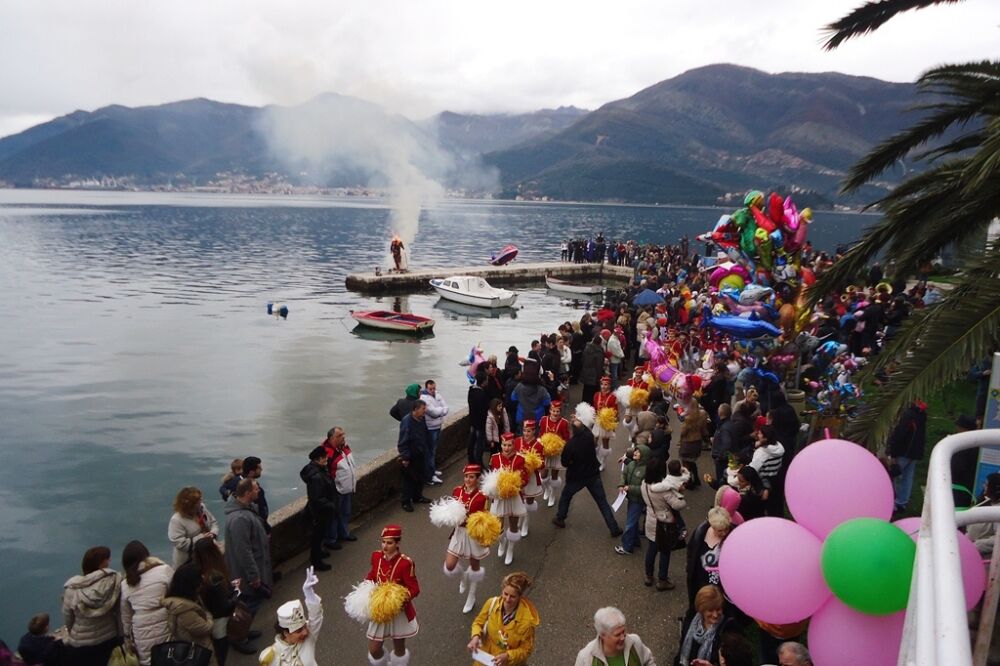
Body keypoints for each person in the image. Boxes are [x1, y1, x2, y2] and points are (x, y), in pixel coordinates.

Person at [552, 408, 622, 538]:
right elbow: (585, 429)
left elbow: (565, 463)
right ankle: (614, 528)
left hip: (576, 478)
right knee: (602, 502)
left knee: (566, 496)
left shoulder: (570, 445)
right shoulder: (589, 436)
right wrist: (578, 420)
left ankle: (560, 518)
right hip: (593, 475)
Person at [365, 525, 420, 666]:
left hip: (398, 611)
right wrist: (366, 586)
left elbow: (414, 589)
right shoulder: (376, 556)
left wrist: (397, 599)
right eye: (383, 542)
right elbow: (373, 574)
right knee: (374, 649)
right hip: (380, 610)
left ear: (397, 544)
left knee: (399, 648)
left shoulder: (405, 563)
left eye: (389, 543)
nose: (385, 546)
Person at [61, 546, 122, 666]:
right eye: (107, 560)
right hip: (108, 638)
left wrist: (73, 631)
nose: (109, 562)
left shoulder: (72, 589)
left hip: (80, 643)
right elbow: (119, 611)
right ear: (101, 565)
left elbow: (68, 618)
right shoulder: (113, 583)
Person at [443, 464, 490, 613]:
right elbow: (451, 510)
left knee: (475, 567)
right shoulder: (456, 491)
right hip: (458, 533)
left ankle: (471, 596)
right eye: (466, 477)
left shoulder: (482, 496)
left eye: (471, 477)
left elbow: (485, 517)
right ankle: (463, 577)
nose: (468, 480)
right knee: (450, 565)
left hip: (473, 534)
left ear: (477, 478)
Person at [120, 540, 173, 666]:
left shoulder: (125, 584)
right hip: (165, 622)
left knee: (148, 661)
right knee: (171, 657)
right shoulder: (163, 570)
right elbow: (176, 593)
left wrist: (127, 639)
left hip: (141, 631)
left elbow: (126, 616)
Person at [224, 478, 273, 616]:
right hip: (247, 576)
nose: (259, 491)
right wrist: (254, 577)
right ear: (247, 493)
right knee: (249, 604)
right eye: (256, 489)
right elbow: (243, 551)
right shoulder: (240, 519)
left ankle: (244, 632)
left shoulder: (246, 510)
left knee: (251, 604)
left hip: (253, 570)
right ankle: (241, 635)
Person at [468, 572, 539, 666]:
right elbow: (478, 622)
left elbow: (526, 650)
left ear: (520, 597)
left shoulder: (527, 622)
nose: (507, 599)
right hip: (485, 658)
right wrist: (475, 637)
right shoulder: (491, 604)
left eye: (512, 596)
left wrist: (508, 656)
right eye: (505, 594)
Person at [191, 538, 244, 665]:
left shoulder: (199, 574)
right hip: (220, 620)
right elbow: (224, 607)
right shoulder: (214, 577)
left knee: (219, 649)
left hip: (210, 618)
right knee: (221, 652)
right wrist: (237, 592)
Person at [259, 568, 323, 666]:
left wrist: (309, 594)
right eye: (298, 631)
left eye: (304, 626)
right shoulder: (270, 657)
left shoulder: (308, 638)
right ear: (286, 633)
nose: (305, 632)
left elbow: (316, 617)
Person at [641, 458, 688, 590]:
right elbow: (678, 505)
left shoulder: (644, 483)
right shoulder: (663, 490)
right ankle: (662, 580)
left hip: (650, 519)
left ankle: (649, 576)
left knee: (651, 549)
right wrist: (681, 495)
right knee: (665, 551)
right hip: (664, 522)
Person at [161, 563, 213, 659]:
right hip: (198, 651)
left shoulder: (175, 600)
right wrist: (208, 615)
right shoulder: (185, 610)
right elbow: (205, 628)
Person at [491, 433, 528, 566]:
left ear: (514, 445)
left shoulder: (520, 459)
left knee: (513, 526)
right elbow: (491, 479)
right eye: (504, 445)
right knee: (498, 527)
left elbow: (525, 479)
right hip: (499, 497)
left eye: (509, 445)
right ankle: (502, 543)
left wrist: (514, 485)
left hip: (514, 497)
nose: (506, 448)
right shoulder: (494, 458)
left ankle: (510, 550)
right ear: (501, 445)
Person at [574, 606, 656, 666]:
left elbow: (648, 662)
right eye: (617, 635)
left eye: (623, 631)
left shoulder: (635, 642)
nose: (623, 637)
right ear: (603, 635)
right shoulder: (585, 658)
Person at [300, 445, 338, 571]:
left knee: (319, 536)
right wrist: (331, 505)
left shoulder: (317, 470)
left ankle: (318, 553)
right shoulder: (316, 476)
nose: (327, 459)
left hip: (320, 511)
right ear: (319, 459)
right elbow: (317, 498)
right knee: (317, 537)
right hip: (319, 513)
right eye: (325, 457)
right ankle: (316, 561)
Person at [685, 508, 732, 609]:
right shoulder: (700, 533)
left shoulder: (733, 536)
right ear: (712, 527)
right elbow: (691, 553)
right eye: (720, 530)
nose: (724, 533)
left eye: (726, 529)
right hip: (701, 584)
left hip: (723, 588)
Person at [676, 585, 734, 666]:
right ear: (701, 610)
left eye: (718, 609)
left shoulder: (729, 629)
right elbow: (681, 651)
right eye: (710, 610)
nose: (715, 615)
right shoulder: (690, 620)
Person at [888, 400, 928, 514]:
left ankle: (893, 503)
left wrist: (893, 453)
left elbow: (899, 434)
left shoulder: (907, 415)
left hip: (904, 452)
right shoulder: (921, 415)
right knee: (907, 478)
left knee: (895, 476)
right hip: (914, 453)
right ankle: (902, 502)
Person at [321, 426, 358, 548]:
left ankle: (344, 533)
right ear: (332, 438)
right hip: (336, 491)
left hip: (346, 488)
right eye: (339, 436)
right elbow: (324, 474)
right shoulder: (327, 453)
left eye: (343, 434)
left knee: (345, 512)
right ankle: (331, 540)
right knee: (334, 516)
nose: (343, 437)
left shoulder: (344, 447)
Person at [168, 486, 220, 568]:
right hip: (189, 562)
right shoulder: (176, 520)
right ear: (190, 505)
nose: (201, 502)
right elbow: (180, 544)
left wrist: (213, 534)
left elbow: (213, 523)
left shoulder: (201, 508)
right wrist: (201, 538)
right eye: (198, 501)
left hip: (207, 555)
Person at [615, 444, 651, 556]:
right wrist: (621, 484)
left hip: (638, 500)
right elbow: (624, 475)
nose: (635, 453)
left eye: (638, 452)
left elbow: (645, 488)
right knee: (633, 521)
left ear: (644, 456)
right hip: (631, 498)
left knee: (630, 523)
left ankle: (627, 547)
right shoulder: (631, 464)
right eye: (635, 451)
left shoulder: (646, 471)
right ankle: (635, 541)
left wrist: (630, 488)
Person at [398, 400, 432, 512]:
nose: (424, 411)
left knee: (420, 477)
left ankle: (417, 496)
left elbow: (425, 433)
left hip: (421, 453)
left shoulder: (421, 419)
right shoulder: (407, 422)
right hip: (411, 456)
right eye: (423, 409)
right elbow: (403, 441)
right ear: (415, 410)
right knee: (409, 480)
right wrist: (405, 457)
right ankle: (406, 502)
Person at [514, 419, 545, 537]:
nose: (526, 433)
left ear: (534, 431)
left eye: (528, 431)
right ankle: (522, 521)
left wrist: (534, 463)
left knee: (529, 502)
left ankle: (525, 523)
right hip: (519, 478)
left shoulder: (538, 445)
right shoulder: (517, 441)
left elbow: (542, 464)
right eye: (524, 430)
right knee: (520, 502)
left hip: (531, 478)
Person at [539, 400, 570, 507]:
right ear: (550, 411)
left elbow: (566, 438)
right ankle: (547, 489)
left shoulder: (564, 422)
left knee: (554, 476)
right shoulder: (544, 420)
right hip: (545, 452)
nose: (555, 413)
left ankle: (552, 495)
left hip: (557, 453)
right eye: (553, 411)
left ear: (560, 412)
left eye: (557, 411)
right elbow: (541, 434)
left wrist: (559, 445)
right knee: (543, 476)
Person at [421, 379, 449, 486]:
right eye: (430, 389)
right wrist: (442, 410)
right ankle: (431, 475)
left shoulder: (437, 394)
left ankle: (432, 470)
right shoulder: (424, 399)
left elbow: (446, 406)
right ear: (426, 388)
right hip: (430, 428)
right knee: (430, 452)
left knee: (433, 450)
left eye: (434, 388)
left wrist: (440, 411)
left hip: (438, 425)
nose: (433, 390)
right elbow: (432, 412)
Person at [968, 472, 1000, 556]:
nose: (984, 487)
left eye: (986, 485)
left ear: (995, 488)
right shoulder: (985, 501)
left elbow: (997, 539)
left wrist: (975, 545)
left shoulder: (997, 510)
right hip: (969, 548)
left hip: (982, 557)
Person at [679, 404, 710, 489]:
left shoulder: (689, 418)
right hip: (697, 442)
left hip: (687, 443)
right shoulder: (702, 415)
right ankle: (696, 478)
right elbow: (704, 430)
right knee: (692, 461)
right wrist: (707, 440)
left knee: (685, 463)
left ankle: (689, 482)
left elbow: (683, 432)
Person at [592, 376, 618, 470]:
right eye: (602, 384)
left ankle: (603, 462)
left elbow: (615, 412)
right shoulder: (596, 395)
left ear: (609, 386)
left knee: (605, 442)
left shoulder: (612, 397)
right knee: (594, 440)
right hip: (598, 421)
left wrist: (611, 424)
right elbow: (594, 408)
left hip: (607, 423)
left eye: (606, 385)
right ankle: (597, 455)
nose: (603, 386)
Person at [468, 371, 490, 465]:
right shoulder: (482, 394)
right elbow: (484, 410)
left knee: (472, 443)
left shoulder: (471, 391)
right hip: (480, 423)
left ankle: (471, 460)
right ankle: (479, 464)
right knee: (479, 445)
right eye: (487, 380)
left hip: (473, 421)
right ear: (484, 382)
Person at [242, 456, 270, 532]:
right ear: (251, 472)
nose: (261, 469)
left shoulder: (248, 484)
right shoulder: (250, 491)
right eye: (259, 468)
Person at [580, 336, 605, 406]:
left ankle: (584, 405)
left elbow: (582, 360)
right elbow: (599, 365)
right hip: (594, 375)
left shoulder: (587, 348)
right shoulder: (598, 351)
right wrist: (600, 377)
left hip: (586, 372)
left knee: (586, 391)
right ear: (599, 343)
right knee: (593, 393)